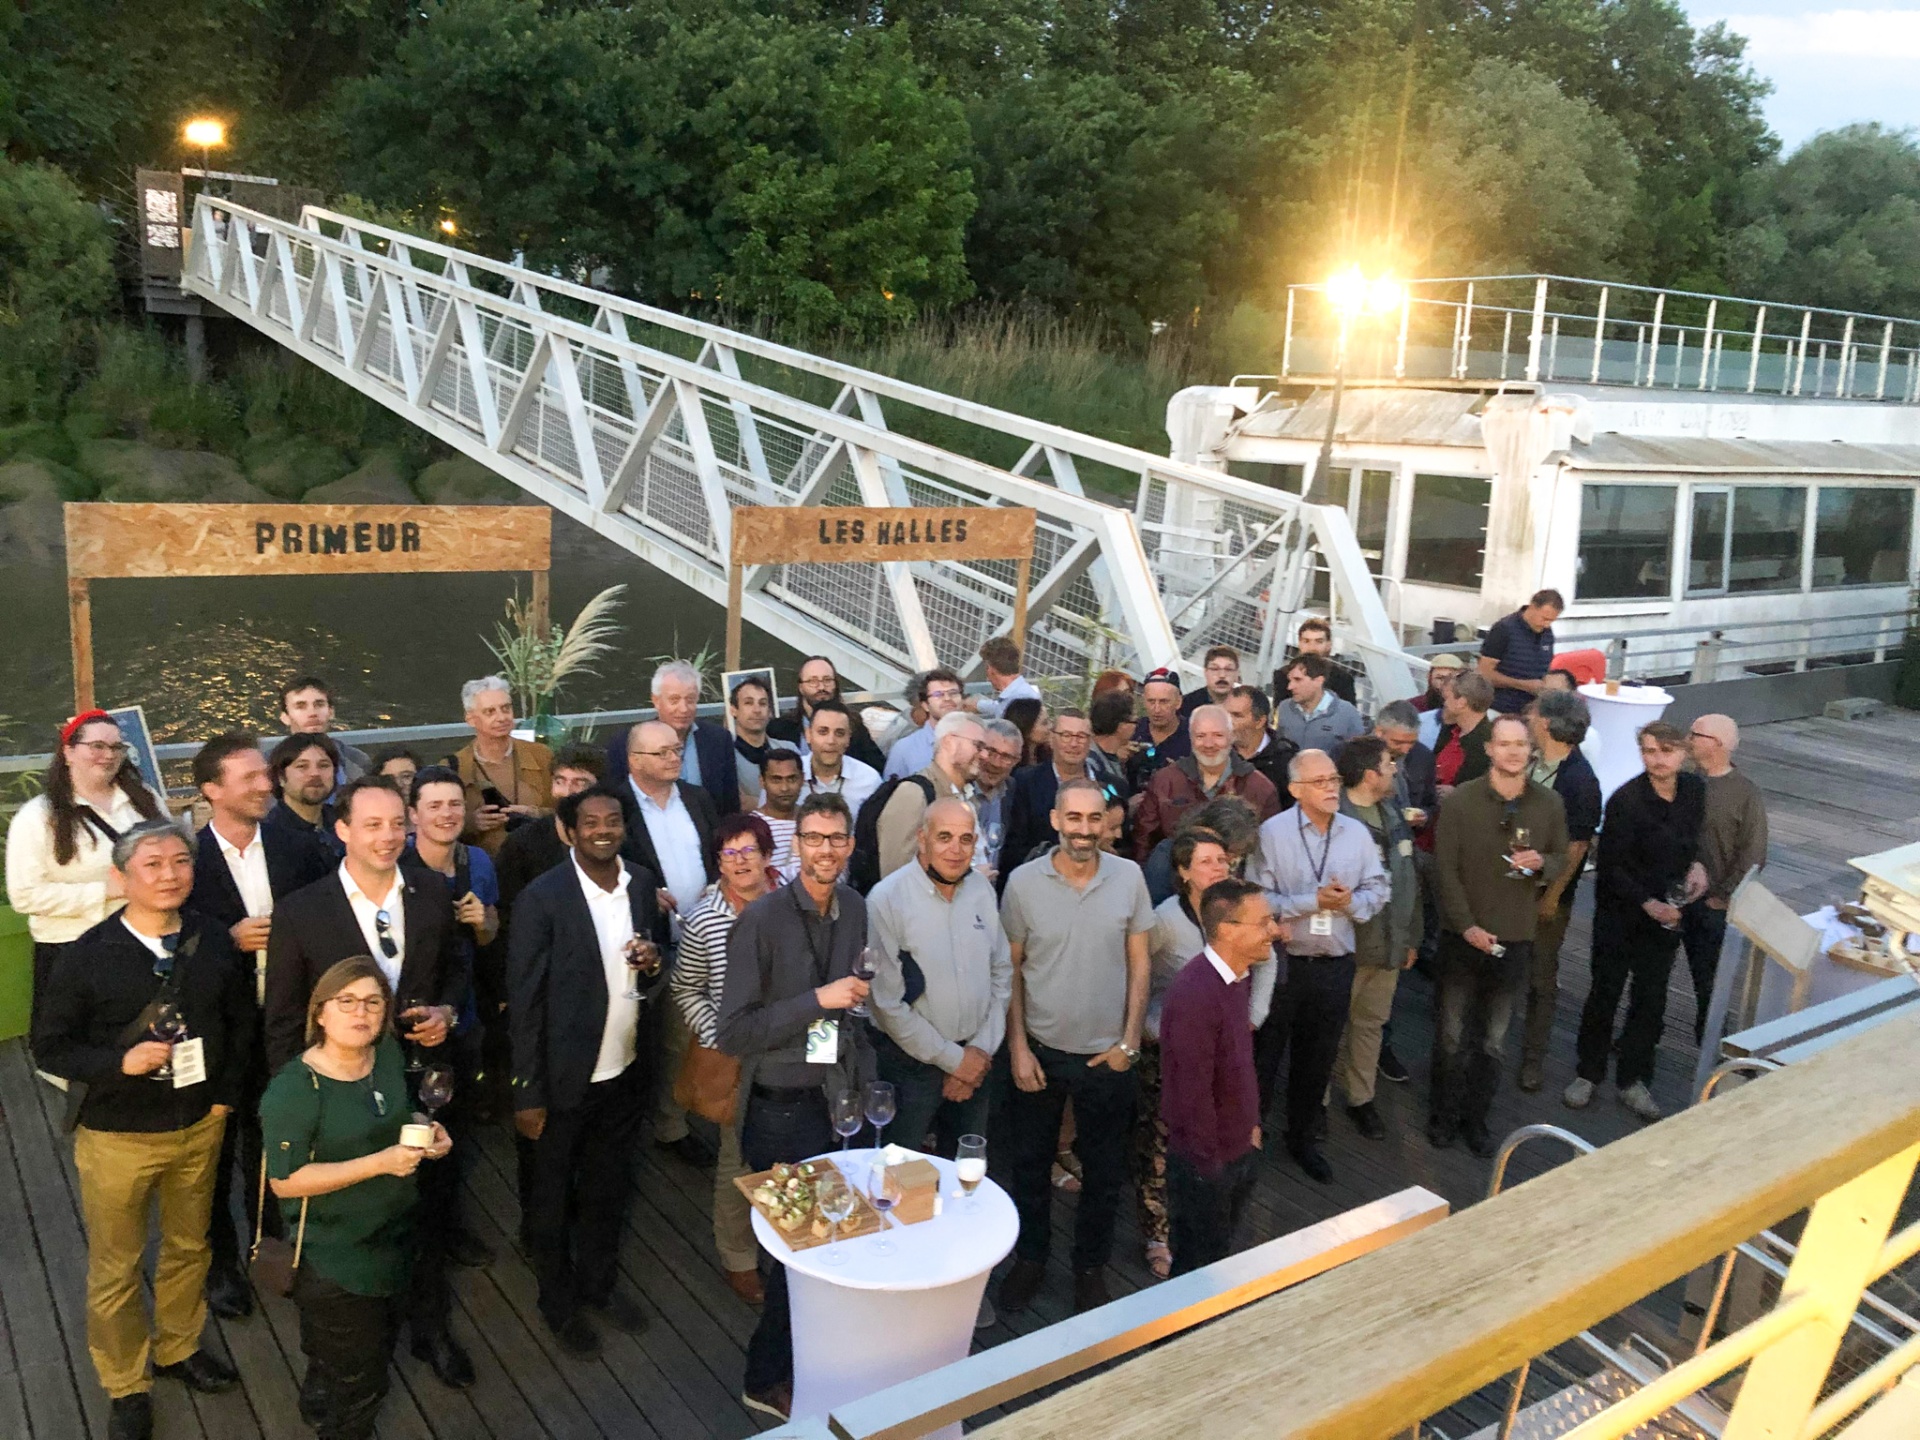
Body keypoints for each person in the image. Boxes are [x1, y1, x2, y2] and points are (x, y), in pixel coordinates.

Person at [33, 818, 252, 1440]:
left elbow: (238, 1023)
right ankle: (125, 1382)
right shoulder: (87, 955)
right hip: (117, 1137)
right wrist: (118, 1064)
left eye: (180, 862)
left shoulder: (211, 939)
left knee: (191, 1247)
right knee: (117, 1265)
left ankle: (178, 1348)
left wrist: (223, 1103)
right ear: (120, 877)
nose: (169, 875)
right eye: (152, 865)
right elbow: (50, 1047)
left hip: (199, 1126)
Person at [261, 776, 473, 1389]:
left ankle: (430, 1326)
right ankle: (350, 1336)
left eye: (395, 824)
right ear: (343, 831)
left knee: (430, 1203)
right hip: (342, 1090)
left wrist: (446, 1014)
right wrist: (302, 1096)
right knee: (359, 1205)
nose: (387, 837)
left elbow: (457, 970)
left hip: (422, 1082)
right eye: (371, 825)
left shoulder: (433, 891)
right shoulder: (303, 909)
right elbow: (282, 1017)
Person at [717, 793, 873, 1423]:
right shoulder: (760, 921)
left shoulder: (857, 907)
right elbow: (734, 1032)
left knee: (834, 1247)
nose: (825, 849)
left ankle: (821, 1360)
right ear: (796, 845)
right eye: (813, 838)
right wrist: (820, 997)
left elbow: (850, 1003)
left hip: (840, 1098)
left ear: (851, 845)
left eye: (836, 838)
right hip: (780, 1108)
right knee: (790, 1262)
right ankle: (766, 1376)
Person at [261, 958, 451, 1440]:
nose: (360, 1013)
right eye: (345, 1001)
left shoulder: (385, 1053)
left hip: (392, 1233)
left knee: (342, 1348)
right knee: (364, 1381)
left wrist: (428, 1130)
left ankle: (318, 1388)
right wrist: (381, 1163)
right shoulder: (295, 1089)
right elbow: (285, 1182)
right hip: (335, 1256)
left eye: (372, 1002)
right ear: (320, 1013)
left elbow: (396, 1113)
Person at [509, 787, 665, 1354]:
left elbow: (655, 965)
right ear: (568, 831)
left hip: (624, 1070)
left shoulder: (642, 883)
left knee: (608, 1189)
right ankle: (557, 1302)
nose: (603, 830)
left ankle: (598, 1285)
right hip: (561, 1080)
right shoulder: (541, 898)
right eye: (590, 822)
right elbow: (523, 1002)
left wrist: (653, 965)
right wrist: (526, 1092)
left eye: (613, 820)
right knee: (551, 1199)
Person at [996, 776, 1154, 1317]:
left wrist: (1130, 1040)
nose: (1083, 831)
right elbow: (1010, 972)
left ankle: (1090, 1267)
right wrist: (1017, 1047)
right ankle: (1032, 1259)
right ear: (1055, 821)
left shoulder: (1130, 877)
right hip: (1040, 1050)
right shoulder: (1021, 884)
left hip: (1108, 1055)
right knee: (1031, 1164)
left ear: (1105, 824)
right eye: (1074, 819)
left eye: (1093, 820)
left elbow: (1140, 962)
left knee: (1106, 1172)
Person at [186, 733, 331, 1319]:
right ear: (211, 791)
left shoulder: (296, 846)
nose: (266, 784)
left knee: (277, 1140)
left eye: (263, 774)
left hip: (288, 1023)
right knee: (218, 1154)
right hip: (223, 1033)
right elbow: (171, 947)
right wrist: (227, 940)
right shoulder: (186, 860)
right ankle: (220, 1261)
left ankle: (272, 1244)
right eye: (249, 779)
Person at [1428, 715, 1569, 1155]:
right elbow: (1443, 869)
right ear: (1488, 748)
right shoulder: (1461, 802)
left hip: (1515, 937)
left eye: (1520, 745)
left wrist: (1542, 864)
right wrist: (1466, 925)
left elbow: (1562, 856)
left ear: (1532, 750)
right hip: (1460, 935)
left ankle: (1477, 1120)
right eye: (1504, 743)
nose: (1512, 752)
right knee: (1451, 1033)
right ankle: (1443, 1116)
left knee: (1493, 1039)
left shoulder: (1549, 804)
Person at [1248, 749, 1388, 1183]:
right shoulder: (1271, 834)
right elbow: (1257, 899)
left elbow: (1380, 887)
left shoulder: (1356, 833)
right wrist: (1313, 901)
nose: (1332, 788)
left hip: (1334, 965)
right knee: (1264, 1059)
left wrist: (1350, 904)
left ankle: (1302, 1140)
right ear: (1295, 790)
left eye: (1333, 780)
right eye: (1321, 781)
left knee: (1318, 1058)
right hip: (1282, 965)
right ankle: (1248, 1142)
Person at [1568, 722, 1707, 1122]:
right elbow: (1610, 866)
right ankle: (1588, 1073)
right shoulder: (1626, 800)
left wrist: (1697, 866)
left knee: (1651, 997)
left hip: (1667, 911)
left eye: (1665, 750)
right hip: (1621, 911)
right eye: (1648, 751)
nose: (1657, 759)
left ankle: (1634, 1079)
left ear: (1683, 753)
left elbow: (1691, 843)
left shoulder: (1695, 791)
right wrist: (1647, 903)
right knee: (1604, 993)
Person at [670, 813, 783, 1306]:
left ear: (767, 854)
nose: (739, 862)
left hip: (795, 1051)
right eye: (728, 854)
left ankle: (785, 1245)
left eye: (748, 851)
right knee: (738, 1161)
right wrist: (720, 1033)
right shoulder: (705, 918)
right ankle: (738, 1257)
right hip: (740, 1059)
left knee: (794, 1152)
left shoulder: (795, 904)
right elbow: (685, 986)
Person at [7, 709, 165, 1056]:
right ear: (68, 752)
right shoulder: (37, 817)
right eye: (96, 746)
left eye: (116, 747)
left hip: (143, 942)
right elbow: (24, 896)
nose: (108, 755)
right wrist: (107, 891)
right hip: (72, 949)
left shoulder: (144, 801)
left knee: (145, 1037)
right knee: (81, 1047)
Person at [867, 799, 1011, 1161]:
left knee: (966, 1175)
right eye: (944, 836)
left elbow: (1002, 973)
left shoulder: (982, 890)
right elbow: (886, 1004)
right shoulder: (887, 899)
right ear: (922, 838)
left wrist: (978, 1052)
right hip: (911, 1068)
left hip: (978, 1060)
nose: (955, 849)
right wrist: (954, 1061)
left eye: (966, 839)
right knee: (900, 1177)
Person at [403, 766, 498, 1266]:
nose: (446, 814)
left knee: (453, 1124)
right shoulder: (393, 863)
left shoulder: (477, 861)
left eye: (454, 804)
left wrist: (484, 921)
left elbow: (491, 933)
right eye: (434, 806)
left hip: (462, 1013)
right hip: (406, 1019)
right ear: (413, 814)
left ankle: (447, 1225)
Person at [1159, 877, 1278, 1276]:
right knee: (1196, 1272)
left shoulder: (1236, 979)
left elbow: (1238, 1066)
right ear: (1227, 930)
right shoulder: (1195, 993)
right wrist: (1210, 1168)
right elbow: (1190, 1096)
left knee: (1218, 1257)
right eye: (1262, 923)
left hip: (1238, 1149)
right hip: (1207, 1166)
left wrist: (1252, 1128)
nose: (1273, 931)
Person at [619, 719, 719, 1168]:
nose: (674, 758)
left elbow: (715, 857)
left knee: (685, 1036)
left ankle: (673, 1124)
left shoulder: (696, 798)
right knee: (642, 1037)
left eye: (676, 750)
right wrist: (642, 889)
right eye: (661, 753)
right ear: (634, 760)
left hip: (703, 938)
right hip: (647, 945)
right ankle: (638, 1121)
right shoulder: (615, 805)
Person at [1141, 827, 1234, 1278]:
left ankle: (1199, 1221)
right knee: (1163, 1143)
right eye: (1207, 861)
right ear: (1183, 872)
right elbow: (1138, 981)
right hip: (1172, 1056)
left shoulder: (1239, 910)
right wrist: (1157, 1030)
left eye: (1223, 859)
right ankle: (1158, 1232)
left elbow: (1267, 959)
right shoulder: (1164, 922)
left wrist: (1251, 1018)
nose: (1219, 868)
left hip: (1223, 1055)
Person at [1332, 737, 1422, 1141]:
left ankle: (1360, 1098)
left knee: (1370, 1024)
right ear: (1370, 774)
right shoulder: (1335, 821)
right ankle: (1314, 1105)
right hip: (1347, 948)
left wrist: (1411, 937)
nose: (1395, 770)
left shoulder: (1393, 814)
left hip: (1389, 945)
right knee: (1331, 1028)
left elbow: (1410, 880)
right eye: (1389, 764)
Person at [1518, 692, 1602, 1092]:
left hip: (1544, 893)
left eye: (1534, 714)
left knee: (1540, 978)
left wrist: (1552, 896)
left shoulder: (1581, 780)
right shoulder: (1530, 762)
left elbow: (1577, 847)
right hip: (1510, 884)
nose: (1528, 719)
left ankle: (1532, 1060)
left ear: (1548, 723)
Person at [1683, 714, 1769, 1043]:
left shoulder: (1745, 793)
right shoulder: (1682, 779)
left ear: (1716, 744)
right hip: (1671, 896)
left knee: (1708, 978)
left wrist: (1721, 896)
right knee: (1652, 974)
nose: (1688, 739)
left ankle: (1711, 1040)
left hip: (1711, 905)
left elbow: (1754, 852)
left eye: (1695, 734)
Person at [1133, 704, 1281, 860]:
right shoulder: (1165, 781)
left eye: (1218, 735)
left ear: (1231, 737)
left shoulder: (1259, 787)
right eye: (1200, 736)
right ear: (1190, 738)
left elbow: (1270, 849)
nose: (1209, 744)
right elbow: (1144, 840)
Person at [495, 745, 605, 924]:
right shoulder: (522, 844)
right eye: (560, 781)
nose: (568, 792)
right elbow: (507, 913)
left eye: (580, 783)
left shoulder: (616, 838)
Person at [870, 711, 984, 881]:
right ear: (949, 742)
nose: (984, 755)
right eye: (978, 746)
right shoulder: (914, 793)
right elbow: (895, 873)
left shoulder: (968, 795)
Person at [450, 676, 552, 858]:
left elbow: (568, 810)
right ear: (471, 719)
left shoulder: (541, 755)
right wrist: (472, 823)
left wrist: (534, 813)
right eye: (490, 712)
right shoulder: (455, 766)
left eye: (506, 708)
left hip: (540, 860)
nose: (502, 717)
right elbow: (435, 823)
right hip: (487, 864)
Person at [1002, 708, 1110, 877]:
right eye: (1066, 735)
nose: (1074, 744)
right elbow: (1014, 847)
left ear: (1090, 741)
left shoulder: (1113, 785)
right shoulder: (1025, 782)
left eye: (1081, 737)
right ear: (1052, 739)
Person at [767, 656, 886, 772]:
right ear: (801, 687)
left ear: (836, 684)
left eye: (827, 680)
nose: (821, 687)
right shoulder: (779, 729)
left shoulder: (854, 726)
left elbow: (879, 768)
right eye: (813, 681)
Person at [1479, 589, 1564, 714]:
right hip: (1500, 709)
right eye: (1544, 618)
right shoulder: (1503, 629)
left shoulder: (1547, 633)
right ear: (1532, 607)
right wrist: (1523, 685)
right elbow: (1484, 674)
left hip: (1532, 711)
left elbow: (1544, 668)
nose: (1547, 625)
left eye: (1551, 621)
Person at [799, 699, 883, 820]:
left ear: (848, 738)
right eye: (823, 732)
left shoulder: (869, 780)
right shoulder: (789, 775)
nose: (831, 741)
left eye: (839, 733)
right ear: (808, 735)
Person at [265, 733, 345, 861]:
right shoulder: (269, 835)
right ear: (280, 778)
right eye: (302, 766)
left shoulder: (346, 821)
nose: (315, 774)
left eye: (323, 765)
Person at [279, 676, 372, 785]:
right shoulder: (267, 764)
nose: (312, 713)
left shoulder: (356, 759)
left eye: (319, 704)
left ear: (331, 712)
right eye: (301, 706)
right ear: (285, 717)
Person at [883, 667, 968, 780]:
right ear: (924, 705)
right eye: (938, 694)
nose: (947, 698)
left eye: (953, 693)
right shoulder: (904, 749)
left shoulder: (980, 739)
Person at [1275, 655, 1365, 760]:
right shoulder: (1284, 708)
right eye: (1290, 680)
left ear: (1319, 681)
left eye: (1298, 680)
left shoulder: (1347, 712)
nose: (1290, 686)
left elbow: (1359, 755)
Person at [728, 674, 796, 811]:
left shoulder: (790, 749)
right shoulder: (725, 756)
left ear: (770, 711)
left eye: (763, 703)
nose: (757, 710)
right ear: (733, 710)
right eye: (748, 703)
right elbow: (736, 802)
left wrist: (755, 802)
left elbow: (804, 798)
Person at [970, 718, 1024, 874]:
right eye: (991, 751)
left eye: (1006, 757)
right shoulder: (957, 789)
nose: (996, 763)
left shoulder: (1013, 792)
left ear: (1016, 761)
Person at [1225, 684, 1296, 801]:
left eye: (1237, 716)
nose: (1227, 722)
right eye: (1225, 714)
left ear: (1260, 721)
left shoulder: (1286, 760)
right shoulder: (1215, 752)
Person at [1432, 669, 1495, 799]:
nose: (1444, 703)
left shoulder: (1486, 743)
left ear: (1462, 702)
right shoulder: (1452, 730)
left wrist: (1458, 792)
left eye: (1447, 698)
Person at [1127, 669, 1190, 789]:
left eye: (1164, 702)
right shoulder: (1131, 730)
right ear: (1143, 701)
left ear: (1178, 702)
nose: (1156, 709)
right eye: (1151, 701)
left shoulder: (1195, 736)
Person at [754, 749, 804, 876]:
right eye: (776, 780)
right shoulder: (750, 828)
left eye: (792, 779)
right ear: (762, 781)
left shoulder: (814, 822)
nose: (784, 788)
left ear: (802, 779)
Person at [1288, 616, 1359, 705]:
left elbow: (1348, 714)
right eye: (1306, 641)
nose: (1312, 647)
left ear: (1328, 645)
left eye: (1319, 641)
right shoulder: (1283, 675)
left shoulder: (1343, 679)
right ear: (1299, 643)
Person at [974, 635, 1043, 718]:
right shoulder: (1019, 694)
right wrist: (978, 705)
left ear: (991, 669)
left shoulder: (1021, 699)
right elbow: (1002, 708)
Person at [1087, 691, 1136, 797]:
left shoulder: (1111, 757)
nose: (1136, 726)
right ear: (1121, 726)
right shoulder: (1092, 764)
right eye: (1134, 722)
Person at [1415, 654, 1467, 748]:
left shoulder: (1469, 712)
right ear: (1429, 677)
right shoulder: (1414, 706)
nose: (1444, 684)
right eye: (1440, 678)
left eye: (1450, 679)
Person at [1181, 645, 1240, 717]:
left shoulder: (1245, 706)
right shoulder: (1187, 704)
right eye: (1215, 669)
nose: (1222, 675)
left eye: (1228, 669)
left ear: (1237, 673)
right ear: (1205, 672)